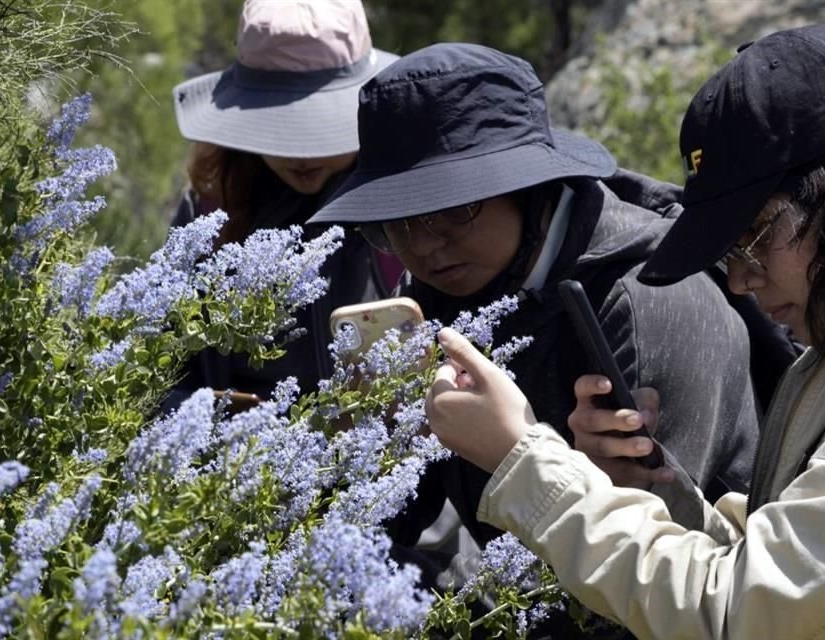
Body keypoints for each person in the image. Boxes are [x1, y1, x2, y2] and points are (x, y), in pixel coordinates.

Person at [425, 25, 825, 639]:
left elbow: (739, 614)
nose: (741, 281)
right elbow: (781, 565)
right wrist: (641, 488)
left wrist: (524, 461)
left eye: (752, 237)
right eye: (729, 253)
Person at [308, 43, 764, 557]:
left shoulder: (646, 300)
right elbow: (373, 537)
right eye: (399, 221)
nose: (425, 244)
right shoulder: (437, 291)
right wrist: (368, 446)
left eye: (455, 209)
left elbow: (657, 576)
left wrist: (530, 461)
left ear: (529, 187)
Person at [165, 0, 400, 406]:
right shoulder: (210, 211)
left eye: (320, 125)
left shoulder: (404, 204)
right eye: (279, 126)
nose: (301, 154)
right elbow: (165, 364)